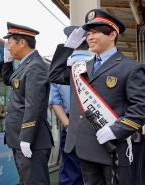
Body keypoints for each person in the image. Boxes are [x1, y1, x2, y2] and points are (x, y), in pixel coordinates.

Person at [49, 9, 145, 185]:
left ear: (112, 34)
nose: (90, 37)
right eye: (88, 33)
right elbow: (54, 75)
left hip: (113, 148)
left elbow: (140, 109)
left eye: (96, 32)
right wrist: (68, 47)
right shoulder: (81, 67)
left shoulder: (130, 68)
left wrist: (115, 130)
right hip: (85, 147)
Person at [0, 22, 54, 185]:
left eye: (10, 44)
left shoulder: (35, 67)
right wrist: (7, 62)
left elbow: (33, 105)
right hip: (22, 139)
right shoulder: (27, 65)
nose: (8, 48)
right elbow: (10, 81)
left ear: (22, 42)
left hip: (32, 141)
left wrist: (26, 138)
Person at [49, 26, 93, 185]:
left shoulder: (60, 68)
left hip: (70, 123)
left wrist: (67, 125)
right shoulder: (97, 62)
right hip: (95, 122)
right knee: (95, 170)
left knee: (70, 169)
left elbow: (55, 102)